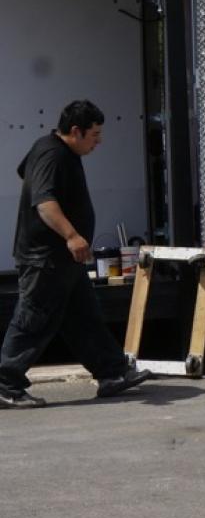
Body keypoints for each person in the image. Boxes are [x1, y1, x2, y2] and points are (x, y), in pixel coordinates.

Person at [0, 100, 152, 408]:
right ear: (75, 131)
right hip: (45, 258)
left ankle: (112, 373)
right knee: (33, 319)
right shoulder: (52, 153)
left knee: (84, 318)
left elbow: (25, 175)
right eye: (94, 135)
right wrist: (70, 235)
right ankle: (5, 383)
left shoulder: (54, 152)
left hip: (64, 261)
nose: (99, 141)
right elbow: (43, 202)